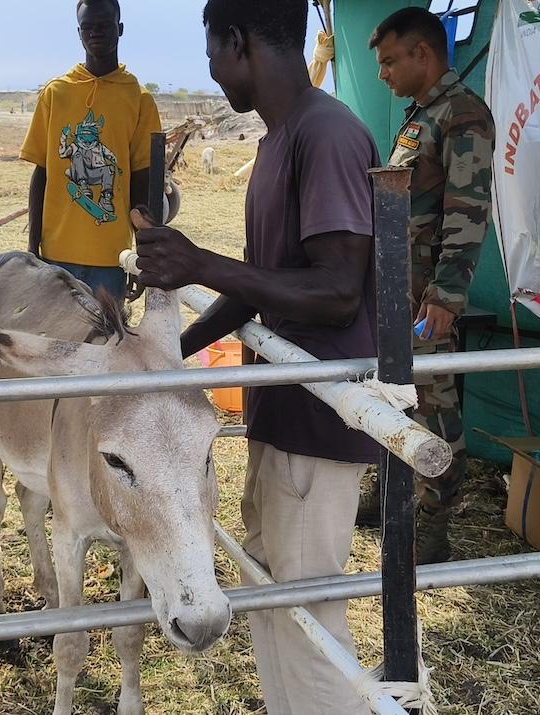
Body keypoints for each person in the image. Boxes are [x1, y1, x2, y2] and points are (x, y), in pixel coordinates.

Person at [130, 1, 378, 711]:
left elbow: (337, 290)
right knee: (271, 595)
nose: (211, 71)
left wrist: (198, 263)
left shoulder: (326, 134)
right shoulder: (278, 142)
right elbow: (259, 283)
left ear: (236, 43)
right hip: (281, 411)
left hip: (319, 418)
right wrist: (166, 352)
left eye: (211, 52)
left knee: (306, 619)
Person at [359, 7, 494, 564]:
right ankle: (390, 488)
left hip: (427, 301)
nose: (382, 74)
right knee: (390, 394)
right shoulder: (423, 115)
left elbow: (468, 212)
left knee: (434, 404)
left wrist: (446, 296)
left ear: (423, 53)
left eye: (390, 61)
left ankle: (434, 520)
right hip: (398, 292)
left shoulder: (462, 115)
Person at [20, 0, 161, 299]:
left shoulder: (138, 99)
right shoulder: (56, 93)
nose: (95, 33)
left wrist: (141, 257)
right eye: (87, 27)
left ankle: (103, 198)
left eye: (104, 26)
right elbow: (42, 173)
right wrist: (32, 247)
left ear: (120, 29)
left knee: (106, 332)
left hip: (112, 258)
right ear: (78, 33)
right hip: (55, 256)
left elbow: (142, 183)